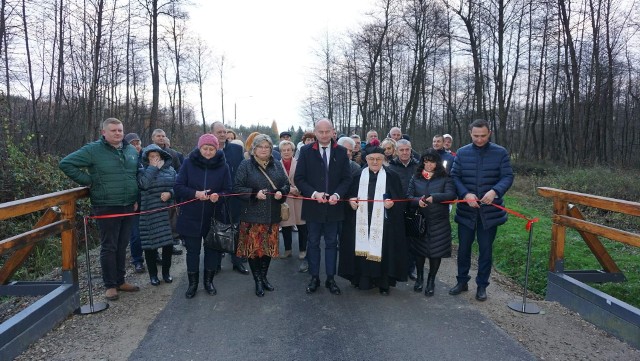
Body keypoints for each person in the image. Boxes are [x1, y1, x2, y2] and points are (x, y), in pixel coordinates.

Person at [59, 118, 140, 301]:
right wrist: (89, 181)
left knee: (122, 245)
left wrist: (135, 197)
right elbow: (66, 164)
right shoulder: (93, 150)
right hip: (106, 204)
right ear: (104, 132)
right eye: (113, 130)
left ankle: (120, 280)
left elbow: (133, 174)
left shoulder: (129, 150)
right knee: (109, 246)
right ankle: (110, 285)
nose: (117, 133)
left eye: (120, 130)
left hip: (128, 204)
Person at [449, 119, 514, 301]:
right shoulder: (462, 153)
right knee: (463, 249)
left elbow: (507, 176)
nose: (479, 139)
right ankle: (462, 281)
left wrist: (495, 191)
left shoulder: (500, 153)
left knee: (485, 250)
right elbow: (454, 176)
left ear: (489, 133)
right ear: (470, 133)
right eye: (476, 136)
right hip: (466, 211)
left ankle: (482, 286)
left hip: (489, 212)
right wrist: (465, 193)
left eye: (483, 136)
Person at [338, 147, 408, 295]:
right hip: (361, 221)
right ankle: (363, 279)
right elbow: (348, 196)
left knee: (383, 250)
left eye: (378, 159)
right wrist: (350, 201)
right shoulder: (357, 175)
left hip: (384, 222)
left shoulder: (392, 176)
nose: (375, 162)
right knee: (362, 250)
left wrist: (392, 204)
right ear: (366, 159)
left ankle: (383, 282)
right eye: (371, 159)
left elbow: (401, 199)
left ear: (384, 159)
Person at [294, 119, 352, 295]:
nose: (325, 135)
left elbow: (346, 179)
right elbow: (299, 178)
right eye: (321, 132)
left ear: (333, 132)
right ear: (315, 132)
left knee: (331, 243)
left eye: (328, 131)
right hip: (313, 206)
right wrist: (314, 194)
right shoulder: (305, 151)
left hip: (334, 207)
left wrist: (337, 195)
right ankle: (314, 277)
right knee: (312, 242)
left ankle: (330, 278)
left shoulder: (341, 152)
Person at [174, 134, 232, 298]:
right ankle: (192, 284)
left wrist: (218, 196)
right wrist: (195, 193)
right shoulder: (188, 163)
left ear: (217, 149)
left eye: (211, 149)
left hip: (213, 216)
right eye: (205, 148)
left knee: (212, 251)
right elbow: (178, 187)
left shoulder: (223, 166)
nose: (208, 152)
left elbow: (229, 190)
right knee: (192, 251)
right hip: (191, 215)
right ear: (199, 148)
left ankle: (209, 282)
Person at [234, 134, 290, 297]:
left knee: (267, 250)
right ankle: (257, 280)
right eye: (260, 147)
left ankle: (264, 277)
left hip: (272, 215)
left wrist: (281, 192)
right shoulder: (245, 165)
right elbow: (236, 187)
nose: (264, 150)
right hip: (251, 216)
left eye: (267, 147)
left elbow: (286, 184)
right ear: (254, 149)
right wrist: (253, 193)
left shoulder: (277, 165)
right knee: (253, 251)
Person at [407, 149, 457, 296]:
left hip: (438, 222)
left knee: (436, 253)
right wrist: (417, 201)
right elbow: (408, 196)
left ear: (437, 163)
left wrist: (434, 197)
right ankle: (420, 278)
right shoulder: (416, 178)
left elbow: (451, 195)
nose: (428, 165)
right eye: (426, 161)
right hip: (420, 220)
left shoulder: (445, 177)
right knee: (419, 252)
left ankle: (431, 281)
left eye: (432, 161)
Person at [210, 121, 250, 275]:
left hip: (234, 197)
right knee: (216, 229)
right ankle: (216, 264)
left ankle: (237, 262)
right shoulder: (207, 149)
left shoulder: (236, 149)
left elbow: (242, 172)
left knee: (236, 229)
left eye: (224, 131)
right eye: (219, 132)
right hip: (215, 198)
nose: (222, 134)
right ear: (212, 133)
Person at [137, 144, 177, 286]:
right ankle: (153, 275)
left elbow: (178, 186)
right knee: (150, 246)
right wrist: (152, 168)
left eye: (157, 156)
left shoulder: (170, 170)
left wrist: (170, 193)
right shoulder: (142, 171)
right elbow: (144, 185)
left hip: (167, 212)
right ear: (147, 159)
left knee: (167, 245)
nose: (155, 159)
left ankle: (166, 273)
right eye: (151, 157)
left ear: (162, 156)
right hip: (150, 213)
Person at [388, 138, 420, 280]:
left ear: (411, 150)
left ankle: (410, 269)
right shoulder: (391, 167)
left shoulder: (418, 166)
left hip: (414, 208)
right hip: (396, 209)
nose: (405, 152)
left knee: (412, 241)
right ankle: (396, 268)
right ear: (396, 151)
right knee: (397, 240)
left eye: (407, 149)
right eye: (402, 150)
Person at [151, 129, 183, 256]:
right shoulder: (147, 152)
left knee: (170, 222)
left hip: (169, 193)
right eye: (158, 136)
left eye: (163, 136)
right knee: (155, 224)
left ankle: (170, 247)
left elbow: (180, 170)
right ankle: (155, 252)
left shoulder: (172, 153)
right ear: (153, 138)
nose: (161, 138)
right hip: (153, 193)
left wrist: (173, 185)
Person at [277, 140, 308, 269]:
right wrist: (289, 189)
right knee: (286, 225)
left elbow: (305, 178)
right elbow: (276, 181)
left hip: (299, 197)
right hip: (285, 199)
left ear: (293, 151)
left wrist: (299, 190)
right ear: (280, 152)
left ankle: (302, 250)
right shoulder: (276, 165)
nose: (286, 152)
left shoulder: (300, 163)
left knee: (302, 225)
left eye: (288, 150)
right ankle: (288, 249)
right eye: (283, 150)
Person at [124, 132, 145, 273]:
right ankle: (137, 260)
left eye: (138, 143)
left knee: (149, 231)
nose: (136, 146)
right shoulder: (125, 159)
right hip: (134, 202)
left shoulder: (148, 156)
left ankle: (153, 255)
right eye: (133, 144)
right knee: (136, 234)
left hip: (149, 201)